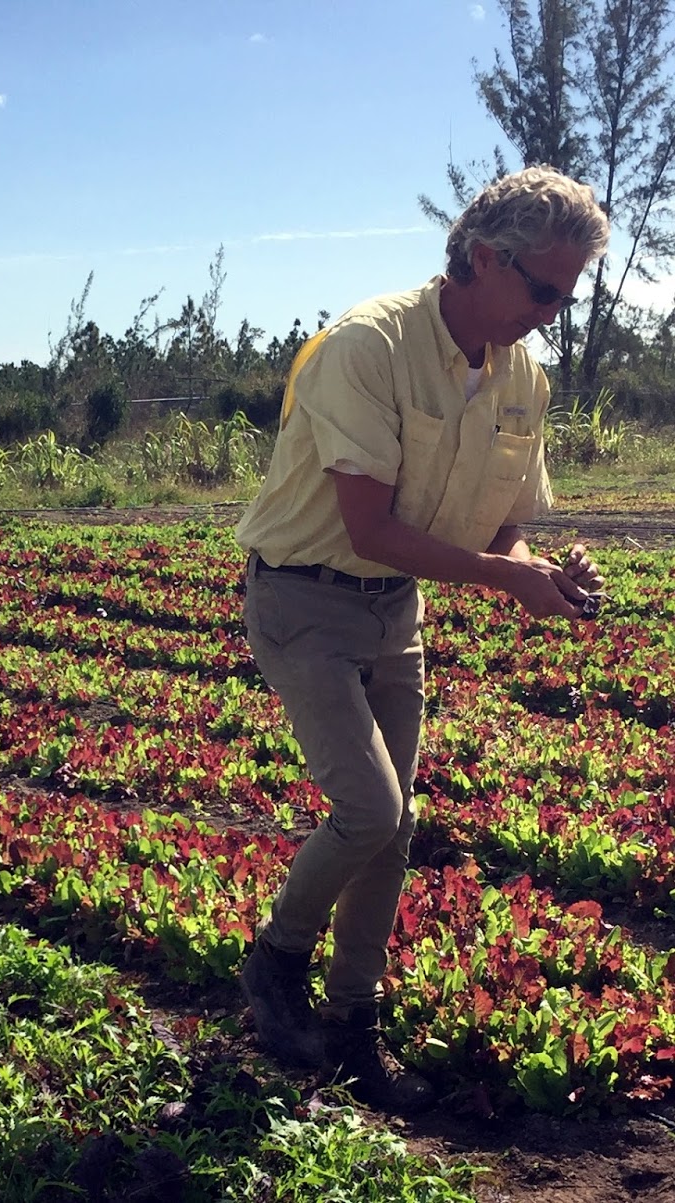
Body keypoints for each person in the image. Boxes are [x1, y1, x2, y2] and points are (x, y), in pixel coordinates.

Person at [233, 165, 610, 1113]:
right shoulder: (366, 347)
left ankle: (352, 1020)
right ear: (487, 257)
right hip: (305, 599)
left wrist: (540, 569)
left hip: (396, 609)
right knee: (366, 805)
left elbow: (502, 525)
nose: (555, 312)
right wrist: (506, 579)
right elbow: (370, 529)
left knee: (395, 829)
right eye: (544, 290)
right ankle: (277, 962)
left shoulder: (525, 375)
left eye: (568, 294)